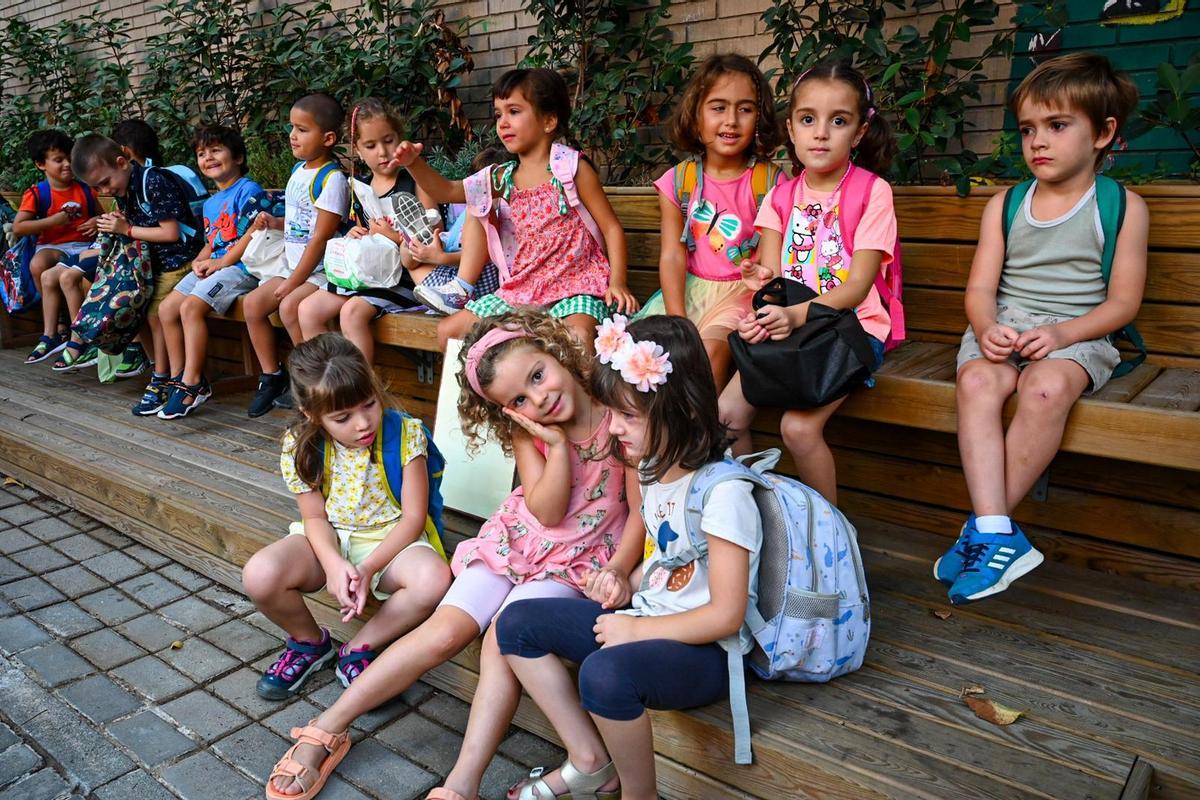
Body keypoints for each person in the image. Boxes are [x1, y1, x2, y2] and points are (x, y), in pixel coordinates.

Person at [263, 310, 642, 800]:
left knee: (500, 641)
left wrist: (616, 568)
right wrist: (556, 447)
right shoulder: (531, 430)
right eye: (520, 399)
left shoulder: (621, 418)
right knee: (444, 631)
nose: (540, 397)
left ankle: (461, 784)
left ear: (556, 352)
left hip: (580, 559)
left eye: (538, 374)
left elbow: (638, 510)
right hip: (516, 540)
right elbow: (544, 510)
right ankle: (327, 728)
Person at [496, 315, 761, 800]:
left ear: (677, 407)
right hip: (651, 616)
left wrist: (637, 630)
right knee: (516, 622)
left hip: (706, 652)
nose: (612, 427)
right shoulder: (653, 471)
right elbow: (672, 561)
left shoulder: (725, 494)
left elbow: (726, 615)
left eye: (628, 415)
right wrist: (625, 578)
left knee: (605, 675)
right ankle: (589, 761)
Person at [937, 52, 1147, 604]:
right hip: (1004, 328)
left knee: (1046, 387)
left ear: (1103, 133)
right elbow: (981, 290)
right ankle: (997, 533)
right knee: (979, 383)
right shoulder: (1005, 205)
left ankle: (985, 529)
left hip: (1079, 334)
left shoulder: (1120, 206)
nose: (1038, 142)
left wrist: (1062, 335)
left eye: (1057, 126)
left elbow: (1123, 303)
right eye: (1028, 129)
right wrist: (985, 328)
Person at [719, 61, 899, 503]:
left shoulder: (872, 192)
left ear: (858, 133)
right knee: (725, 417)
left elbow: (858, 287)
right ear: (791, 129)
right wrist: (760, 280)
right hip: (794, 323)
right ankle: (760, 513)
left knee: (797, 428)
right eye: (808, 119)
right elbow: (774, 279)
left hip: (852, 327)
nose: (821, 133)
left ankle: (829, 532)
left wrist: (793, 314)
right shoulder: (781, 197)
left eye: (838, 121)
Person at [242, 333, 451, 704]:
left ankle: (357, 649)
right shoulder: (299, 444)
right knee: (259, 574)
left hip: (391, 538)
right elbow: (314, 519)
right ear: (311, 414)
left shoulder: (405, 435)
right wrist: (335, 564)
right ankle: (309, 644)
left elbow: (414, 518)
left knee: (433, 579)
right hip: (327, 537)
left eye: (369, 405)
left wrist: (368, 567)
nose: (362, 424)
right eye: (343, 417)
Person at [388, 67, 638, 351]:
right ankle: (477, 397)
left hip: (576, 287)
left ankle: (574, 397)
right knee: (450, 330)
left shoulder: (572, 169)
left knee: (578, 337)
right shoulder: (500, 178)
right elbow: (446, 191)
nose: (503, 122)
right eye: (498, 114)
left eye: (514, 111)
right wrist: (413, 163)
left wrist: (617, 282)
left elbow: (611, 227)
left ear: (549, 121)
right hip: (523, 289)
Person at [638, 54, 784, 390]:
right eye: (718, 107)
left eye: (745, 109)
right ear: (696, 115)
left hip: (741, 294)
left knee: (710, 353)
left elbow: (770, 259)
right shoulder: (679, 180)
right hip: (687, 289)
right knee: (643, 353)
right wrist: (678, 319)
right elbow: (673, 254)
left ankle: (704, 438)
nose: (731, 120)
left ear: (759, 118)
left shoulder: (770, 182)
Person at [296, 98, 436, 364]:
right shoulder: (359, 188)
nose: (382, 152)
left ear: (401, 139)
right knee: (308, 309)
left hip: (404, 278)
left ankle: (361, 392)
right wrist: (355, 236)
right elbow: (358, 230)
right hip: (367, 273)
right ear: (358, 150)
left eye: (388, 140)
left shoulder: (416, 181)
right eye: (370, 146)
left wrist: (392, 236)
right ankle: (329, 384)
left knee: (351, 312)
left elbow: (432, 237)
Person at [70, 133, 204, 408]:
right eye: (98, 188)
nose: (105, 191)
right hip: (148, 266)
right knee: (134, 310)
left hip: (178, 263)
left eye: (105, 183)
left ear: (122, 162)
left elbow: (170, 232)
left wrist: (126, 229)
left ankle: (164, 376)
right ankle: (159, 369)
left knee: (153, 312)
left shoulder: (152, 181)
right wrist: (119, 220)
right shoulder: (125, 187)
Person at [244, 92, 349, 417]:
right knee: (252, 305)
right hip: (292, 265)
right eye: (292, 127)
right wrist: (273, 222)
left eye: (302, 129)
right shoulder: (299, 170)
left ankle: (312, 380)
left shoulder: (331, 179)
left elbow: (319, 238)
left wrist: (292, 282)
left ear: (328, 138)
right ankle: (273, 375)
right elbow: (298, 221)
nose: (293, 135)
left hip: (317, 271)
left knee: (290, 305)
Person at [155, 125, 264, 418]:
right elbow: (211, 242)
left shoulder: (248, 190)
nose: (208, 157)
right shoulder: (211, 203)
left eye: (216, 150)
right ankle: (179, 376)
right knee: (167, 309)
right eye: (202, 154)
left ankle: (194, 383)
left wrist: (222, 262)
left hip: (241, 269)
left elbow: (254, 234)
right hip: (217, 266)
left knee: (190, 308)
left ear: (238, 156)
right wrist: (200, 261)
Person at [14, 129, 101, 366]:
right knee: (39, 264)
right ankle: (52, 330)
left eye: (69, 158)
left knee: (61, 273)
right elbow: (19, 227)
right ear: (41, 164)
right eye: (58, 160)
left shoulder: (85, 188)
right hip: (53, 246)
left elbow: (102, 217)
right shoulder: (37, 192)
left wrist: (95, 222)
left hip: (84, 246)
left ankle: (64, 331)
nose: (66, 164)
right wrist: (52, 221)